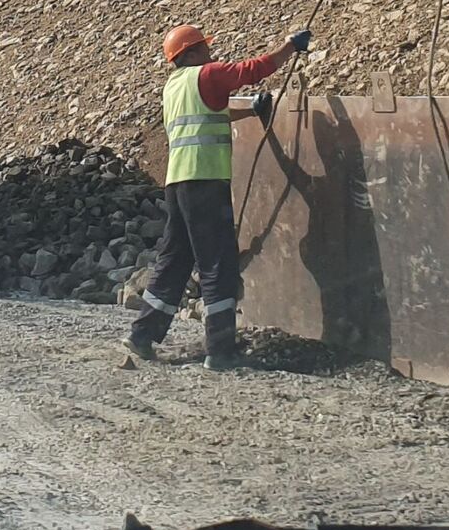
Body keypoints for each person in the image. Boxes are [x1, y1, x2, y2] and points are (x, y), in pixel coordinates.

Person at [124, 23, 312, 371]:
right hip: (206, 181)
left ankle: (142, 334)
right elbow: (252, 70)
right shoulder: (207, 75)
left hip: (178, 183)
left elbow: (213, 112)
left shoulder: (173, 87)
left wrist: (249, 109)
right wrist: (289, 47)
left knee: (174, 259)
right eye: (204, 49)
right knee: (217, 263)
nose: (210, 54)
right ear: (191, 53)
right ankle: (221, 350)